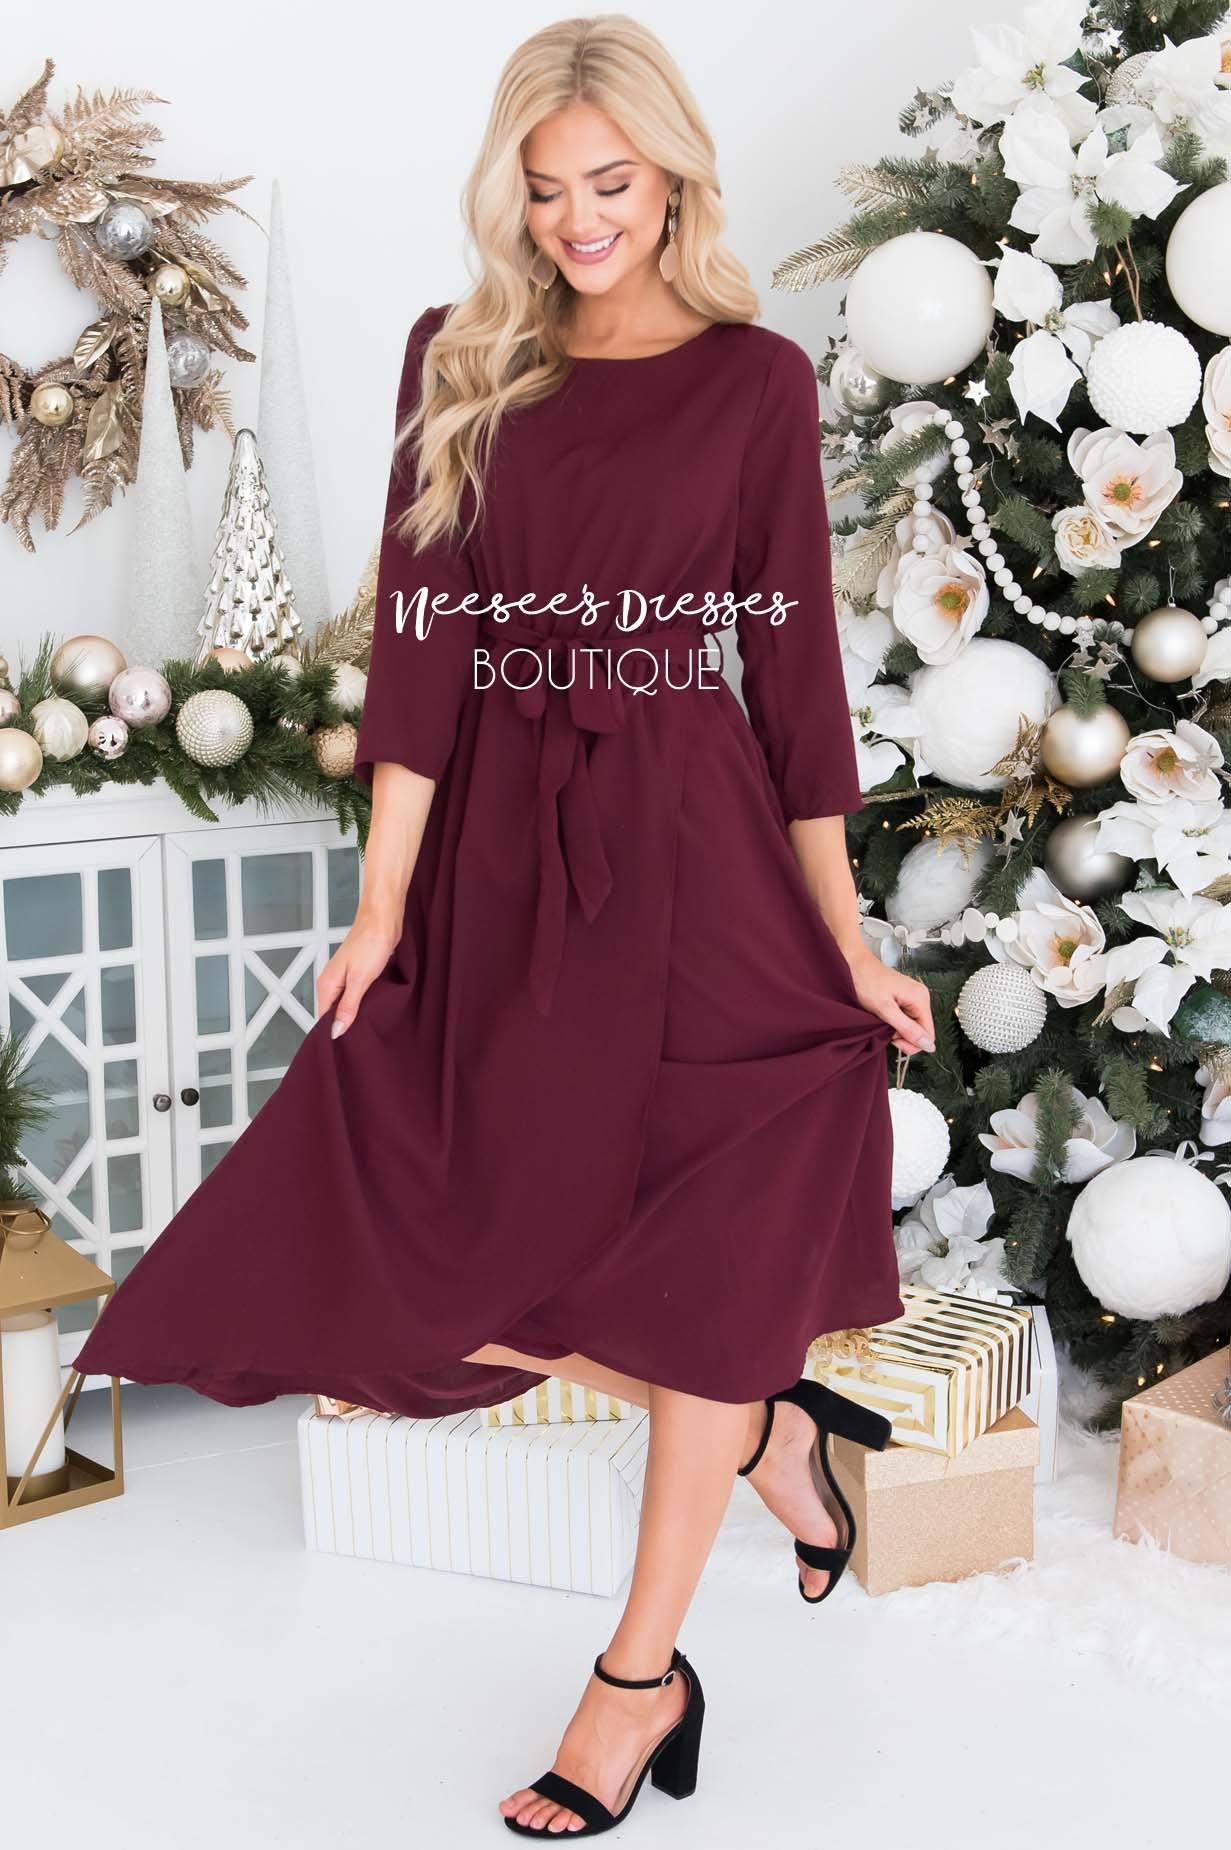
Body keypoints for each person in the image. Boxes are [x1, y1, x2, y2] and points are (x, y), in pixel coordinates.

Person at [72, 14, 934, 1840]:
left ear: (676, 178)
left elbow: (793, 676)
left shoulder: (757, 382)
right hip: (508, 862)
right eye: (544, 191)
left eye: (610, 184)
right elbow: (422, 651)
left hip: (700, 851)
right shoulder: (457, 358)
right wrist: (382, 905)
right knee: (461, 1237)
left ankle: (637, 1673)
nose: (577, 221)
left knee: (711, 1253)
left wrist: (848, 937)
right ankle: (770, 1424)